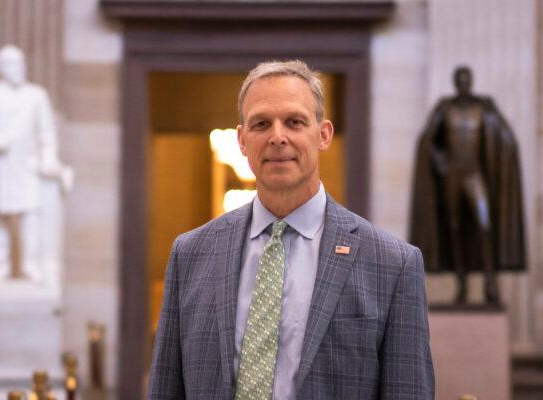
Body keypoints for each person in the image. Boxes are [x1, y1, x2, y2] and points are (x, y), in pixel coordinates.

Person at [148, 60, 434, 399]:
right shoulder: (191, 254)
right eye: (261, 124)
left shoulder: (392, 265)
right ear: (241, 140)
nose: (277, 137)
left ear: (323, 134)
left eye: (295, 122)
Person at [410, 66, 525, 305]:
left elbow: (503, 136)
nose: (464, 83)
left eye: (467, 79)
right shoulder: (446, 108)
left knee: (484, 224)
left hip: (474, 174)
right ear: (456, 83)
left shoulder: (483, 108)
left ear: (470, 82)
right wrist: (439, 159)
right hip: (453, 174)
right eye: (460, 80)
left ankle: (490, 280)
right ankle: (461, 282)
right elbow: (427, 140)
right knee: (454, 228)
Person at [0, 45, 70, 284]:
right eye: (12, 63)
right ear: (1, 67)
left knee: (30, 214)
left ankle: (29, 264)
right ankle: (0, 266)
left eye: (21, 63)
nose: (18, 68)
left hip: (27, 164)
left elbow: (47, 132)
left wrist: (49, 159)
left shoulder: (37, 95)